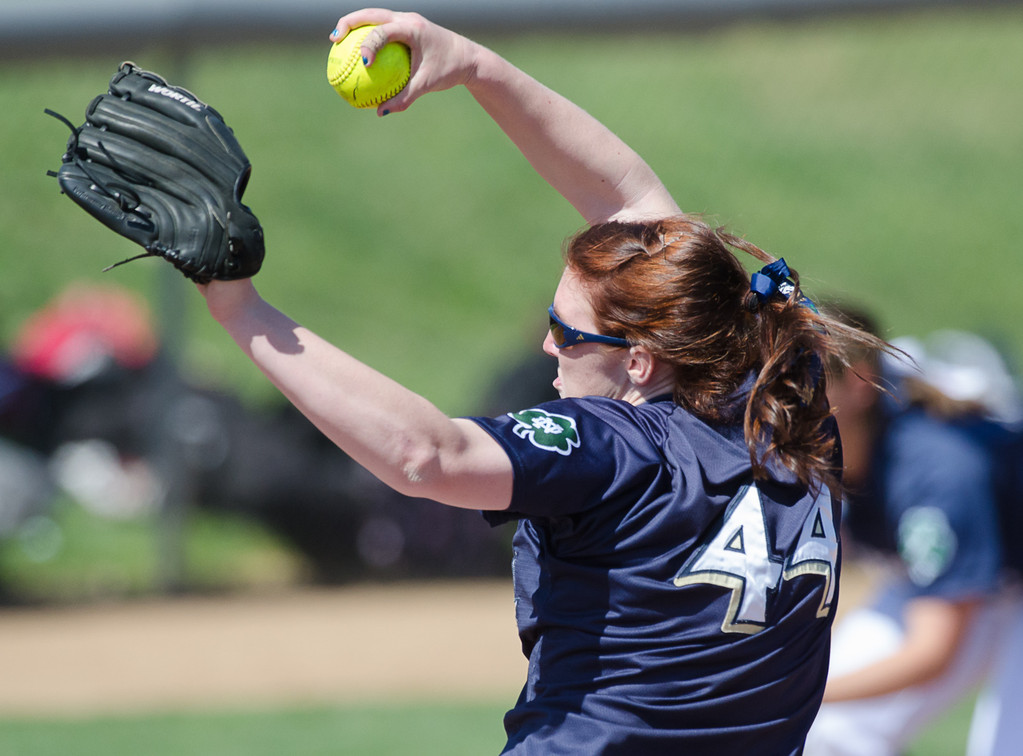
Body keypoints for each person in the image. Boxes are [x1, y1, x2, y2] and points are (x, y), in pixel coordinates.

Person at [195, 9, 886, 754]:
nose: (546, 345)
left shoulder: (617, 449)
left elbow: (429, 457)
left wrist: (241, 309)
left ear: (639, 361)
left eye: (565, 331)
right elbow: (629, 206)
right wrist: (467, 63)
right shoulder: (786, 391)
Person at [804, 309, 1023, 756]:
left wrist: (799, 691)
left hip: (995, 583)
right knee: (827, 730)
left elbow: (932, 650)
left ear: (860, 382)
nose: (783, 396)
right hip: (980, 576)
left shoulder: (935, 470)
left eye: (805, 378)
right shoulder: (832, 442)